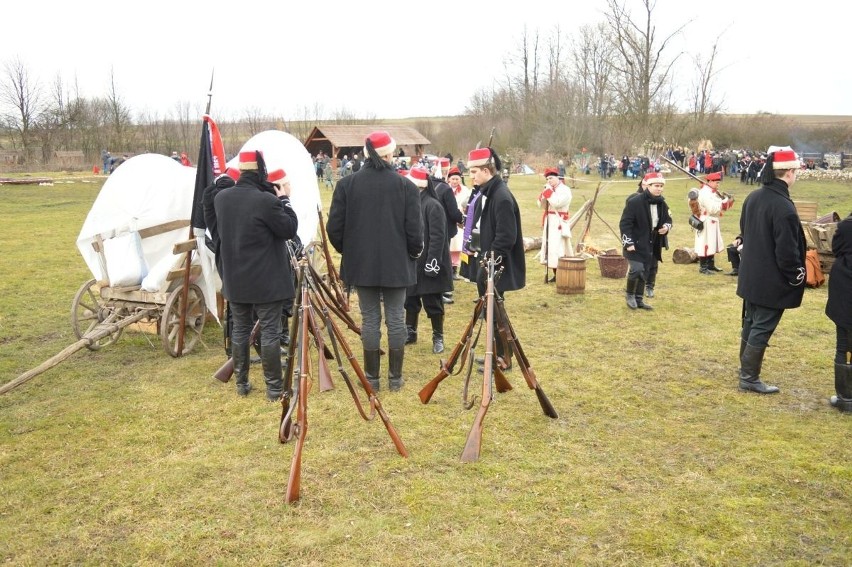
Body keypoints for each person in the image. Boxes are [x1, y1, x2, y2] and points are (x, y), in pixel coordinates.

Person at [326, 131, 423, 391]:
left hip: (362, 264)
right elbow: (415, 233)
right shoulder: (407, 187)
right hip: (396, 263)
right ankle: (394, 379)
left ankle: (373, 378)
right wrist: (412, 254)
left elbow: (334, 229)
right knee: (395, 317)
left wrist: (350, 251)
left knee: (370, 319)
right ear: (389, 154)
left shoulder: (347, 185)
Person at [214, 150, 299, 400]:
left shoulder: (222, 199)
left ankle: (242, 383)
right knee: (270, 332)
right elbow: (289, 229)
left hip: (236, 278)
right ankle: (274, 388)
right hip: (266, 281)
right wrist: (285, 201)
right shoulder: (266, 201)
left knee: (240, 330)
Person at [736, 148, 806, 394]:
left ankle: (745, 368)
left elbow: (744, 230)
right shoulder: (783, 207)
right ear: (789, 172)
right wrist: (797, 276)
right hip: (770, 279)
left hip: (752, 274)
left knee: (752, 321)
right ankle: (748, 377)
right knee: (761, 325)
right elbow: (787, 252)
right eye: (795, 171)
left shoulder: (753, 197)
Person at [467, 146, 525, 367]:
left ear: (485, 170)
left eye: (474, 172)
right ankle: (497, 354)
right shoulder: (491, 192)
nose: (471, 176)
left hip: (497, 266)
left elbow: (506, 237)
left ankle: (503, 358)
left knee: (497, 315)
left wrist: (489, 265)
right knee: (491, 314)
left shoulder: (501, 196)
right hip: (491, 264)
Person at [403, 167, 453, 354]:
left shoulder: (433, 205)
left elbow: (438, 237)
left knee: (433, 301)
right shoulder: (412, 204)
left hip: (430, 261)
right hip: (413, 262)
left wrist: (433, 263)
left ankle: (438, 336)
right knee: (411, 299)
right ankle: (411, 331)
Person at [619, 171, 671, 310]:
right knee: (636, 269)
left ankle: (639, 299)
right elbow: (625, 224)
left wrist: (666, 227)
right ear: (648, 186)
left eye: (661, 186)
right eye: (656, 185)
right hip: (635, 242)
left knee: (645, 271)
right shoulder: (634, 202)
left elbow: (668, 219)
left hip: (651, 243)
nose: (659, 188)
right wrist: (628, 242)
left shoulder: (662, 203)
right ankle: (630, 295)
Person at [825, 211, 852, 412]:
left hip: (846, 287)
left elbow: (836, 249)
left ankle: (846, 398)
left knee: (844, 344)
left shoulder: (846, 227)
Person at [432, 157, 464, 304]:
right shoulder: (445, 189)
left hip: (426, 228)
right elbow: (453, 212)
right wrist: (463, 219)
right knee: (443, 259)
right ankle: (441, 290)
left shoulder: (427, 185)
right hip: (442, 229)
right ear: (445, 172)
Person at [537, 167, 573, 282]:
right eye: (547, 179)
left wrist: (548, 192)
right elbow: (542, 205)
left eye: (551, 178)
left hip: (559, 221)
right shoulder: (550, 189)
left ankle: (562, 273)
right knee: (550, 247)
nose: (549, 181)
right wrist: (544, 195)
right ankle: (555, 273)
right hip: (550, 220)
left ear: (557, 178)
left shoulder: (565, 190)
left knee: (559, 247)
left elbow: (557, 203)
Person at [694, 171, 734, 274]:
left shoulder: (712, 191)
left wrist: (725, 200)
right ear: (710, 181)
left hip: (712, 220)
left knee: (712, 243)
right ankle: (703, 267)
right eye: (716, 182)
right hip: (706, 220)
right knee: (705, 243)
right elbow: (712, 208)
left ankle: (710, 265)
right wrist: (724, 202)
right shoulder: (705, 193)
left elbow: (717, 204)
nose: (718, 184)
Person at [446, 166, 470, 280]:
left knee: (458, 245)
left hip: (460, 220)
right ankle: (448, 268)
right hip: (449, 219)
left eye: (457, 179)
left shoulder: (465, 191)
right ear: (449, 179)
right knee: (449, 245)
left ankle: (455, 269)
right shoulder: (445, 189)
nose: (455, 181)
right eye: (453, 179)